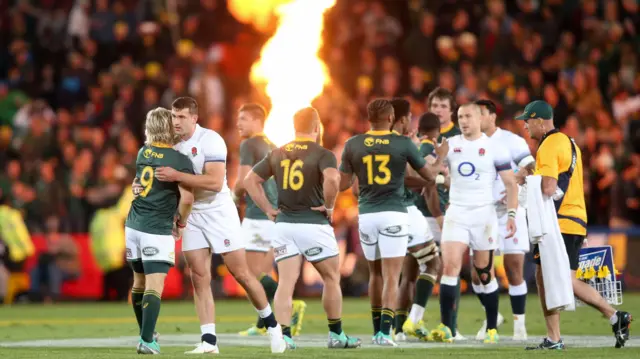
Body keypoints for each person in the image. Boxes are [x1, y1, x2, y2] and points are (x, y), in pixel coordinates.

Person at [152, 97, 286, 354]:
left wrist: (177, 175)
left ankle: (272, 327)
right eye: (173, 116)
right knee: (199, 276)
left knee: (241, 273)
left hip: (219, 211)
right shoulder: (171, 143)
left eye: (181, 117)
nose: (175, 121)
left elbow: (214, 182)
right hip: (193, 212)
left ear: (194, 118)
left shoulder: (210, 140)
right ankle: (209, 341)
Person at [515, 100, 632, 350]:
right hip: (575, 219)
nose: (525, 125)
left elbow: (547, 187)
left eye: (527, 120)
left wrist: (525, 180)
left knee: (550, 278)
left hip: (559, 222)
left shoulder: (548, 144)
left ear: (540, 120)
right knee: (555, 278)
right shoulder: (569, 143)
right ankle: (614, 317)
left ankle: (556, 338)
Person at [244, 107, 361, 350]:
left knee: (286, 283)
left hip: (284, 224)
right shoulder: (323, 153)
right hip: (313, 223)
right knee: (331, 277)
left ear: (294, 127)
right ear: (317, 127)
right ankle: (336, 335)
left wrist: (267, 208)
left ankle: (285, 337)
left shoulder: (278, 152)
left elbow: (250, 181)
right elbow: (332, 179)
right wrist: (329, 206)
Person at [339, 99, 447, 346]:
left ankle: (377, 328)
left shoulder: (353, 144)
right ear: (391, 119)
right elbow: (429, 176)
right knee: (392, 275)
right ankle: (384, 334)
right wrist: (440, 157)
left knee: (375, 274)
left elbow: (345, 185)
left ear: (369, 118)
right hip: (395, 213)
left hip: (366, 216)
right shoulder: (402, 142)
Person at [430, 103, 518, 345]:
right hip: (457, 213)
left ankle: (491, 327)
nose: (463, 121)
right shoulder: (451, 145)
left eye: (468, 116)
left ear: (480, 118)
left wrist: (511, 215)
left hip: (483, 215)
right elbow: (430, 173)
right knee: (449, 269)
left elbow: (511, 183)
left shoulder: (494, 147)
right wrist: (438, 157)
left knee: (483, 273)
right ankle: (447, 327)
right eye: (460, 117)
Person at [233, 103, 307, 337]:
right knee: (264, 271)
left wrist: (232, 199)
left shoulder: (249, 144)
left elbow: (243, 180)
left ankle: (292, 305)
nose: (238, 123)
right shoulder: (273, 145)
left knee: (248, 272)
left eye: (243, 118)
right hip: (275, 215)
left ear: (257, 121)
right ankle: (264, 323)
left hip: (257, 214)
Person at [125, 107, 195, 354]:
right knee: (155, 285)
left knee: (139, 283)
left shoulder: (143, 152)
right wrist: (181, 223)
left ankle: (147, 333)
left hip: (133, 224)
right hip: (156, 226)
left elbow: (139, 183)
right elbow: (187, 199)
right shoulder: (179, 160)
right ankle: (146, 341)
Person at [472, 99, 534, 341]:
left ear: (492, 117)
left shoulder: (511, 141)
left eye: (481, 114)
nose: (475, 119)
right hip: (482, 212)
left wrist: (512, 184)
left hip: (511, 209)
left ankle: (520, 326)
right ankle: (493, 315)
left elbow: (530, 167)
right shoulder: (468, 143)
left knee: (514, 267)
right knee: (478, 273)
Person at [388, 100, 441, 342]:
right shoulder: (404, 143)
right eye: (409, 116)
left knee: (404, 274)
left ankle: (396, 330)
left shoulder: (371, 142)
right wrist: (441, 159)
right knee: (433, 264)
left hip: (377, 211)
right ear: (402, 119)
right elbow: (420, 178)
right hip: (405, 210)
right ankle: (413, 321)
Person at [427, 87, 464, 340]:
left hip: (452, 208)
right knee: (418, 267)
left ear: (451, 110)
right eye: (435, 106)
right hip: (425, 208)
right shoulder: (423, 136)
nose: (438, 110)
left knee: (451, 267)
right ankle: (404, 323)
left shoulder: (460, 137)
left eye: (443, 106)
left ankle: (450, 325)